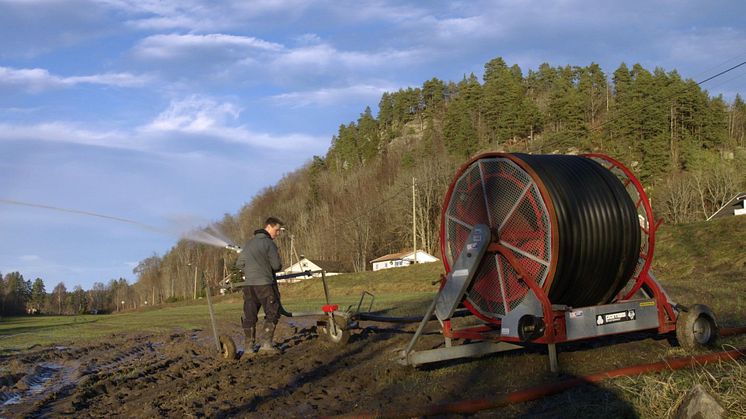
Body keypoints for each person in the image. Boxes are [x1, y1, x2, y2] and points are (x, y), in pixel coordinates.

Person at [235, 217, 284, 355]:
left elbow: (239, 264)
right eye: (277, 230)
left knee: (250, 316)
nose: (278, 233)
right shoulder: (269, 243)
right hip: (265, 285)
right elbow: (276, 266)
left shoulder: (249, 244)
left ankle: (248, 349)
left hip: (249, 286)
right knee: (273, 312)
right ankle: (266, 345)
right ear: (268, 227)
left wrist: (252, 269)